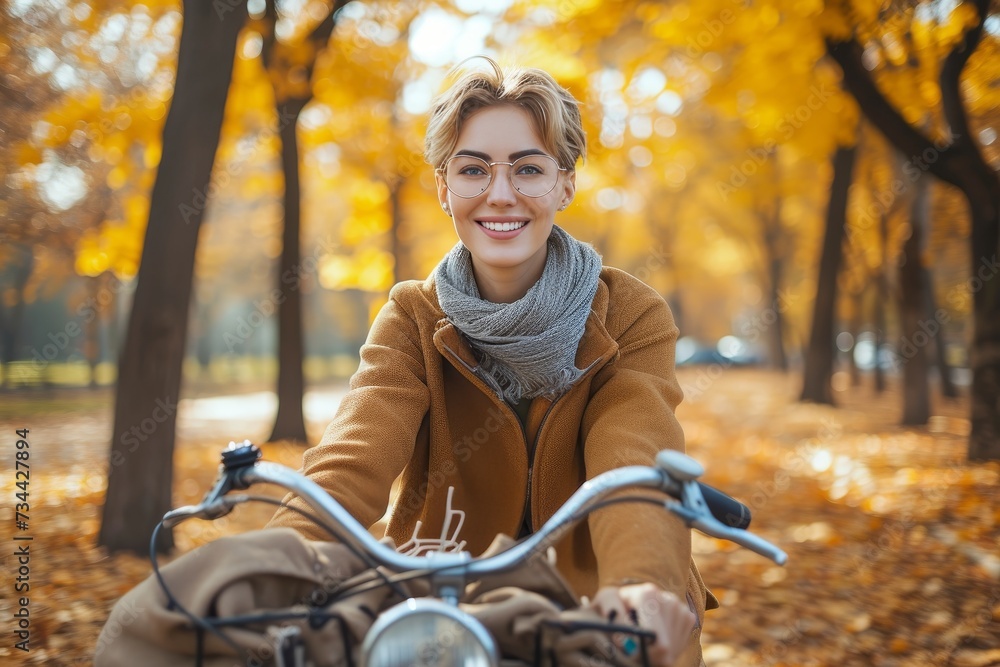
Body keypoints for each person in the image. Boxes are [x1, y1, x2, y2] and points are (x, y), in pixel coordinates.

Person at [267, 57, 717, 666]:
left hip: (599, 614)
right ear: (443, 187)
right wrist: (270, 569)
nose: (499, 194)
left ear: (565, 184)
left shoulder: (629, 312)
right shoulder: (412, 316)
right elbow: (352, 460)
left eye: (528, 169)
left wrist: (641, 585)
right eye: (473, 169)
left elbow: (633, 459)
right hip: (442, 608)